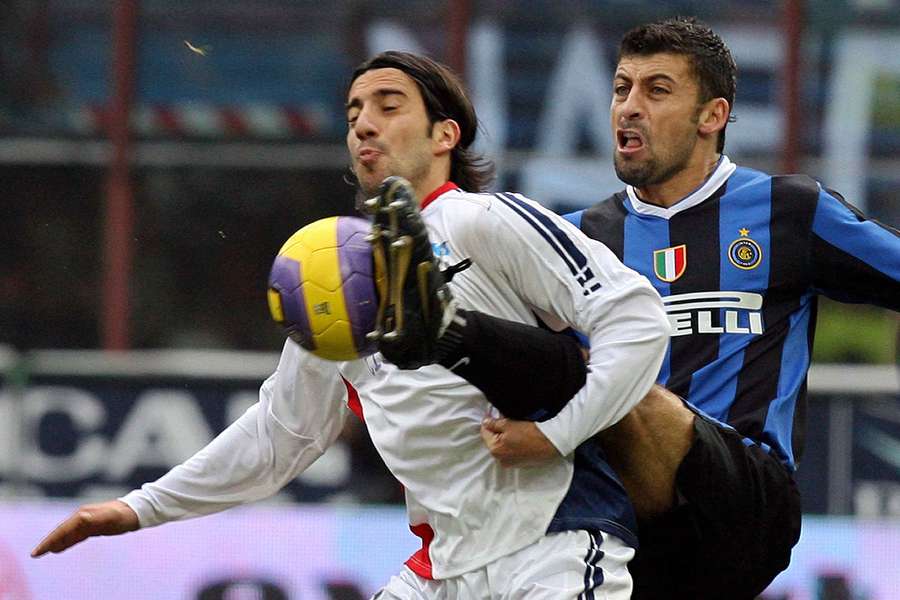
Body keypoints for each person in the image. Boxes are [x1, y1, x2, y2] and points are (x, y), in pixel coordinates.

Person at [32, 51, 672, 599]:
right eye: (353, 113)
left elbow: (637, 317)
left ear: (445, 134)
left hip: (554, 543)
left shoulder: (487, 220)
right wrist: (138, 507)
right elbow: (281, 433)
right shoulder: (337, 273)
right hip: (442, 567)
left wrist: (557, 434)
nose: (364, 123)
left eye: (389, 105)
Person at [391, 17, 899, 600]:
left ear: (712, 116)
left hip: (743, 502)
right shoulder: (578, 238)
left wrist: (553, 431)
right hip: (623, 521)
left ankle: (444, 324)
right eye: (621, 89)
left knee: (604, 369)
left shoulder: (788, 211)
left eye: (656, 91)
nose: (628, 108)